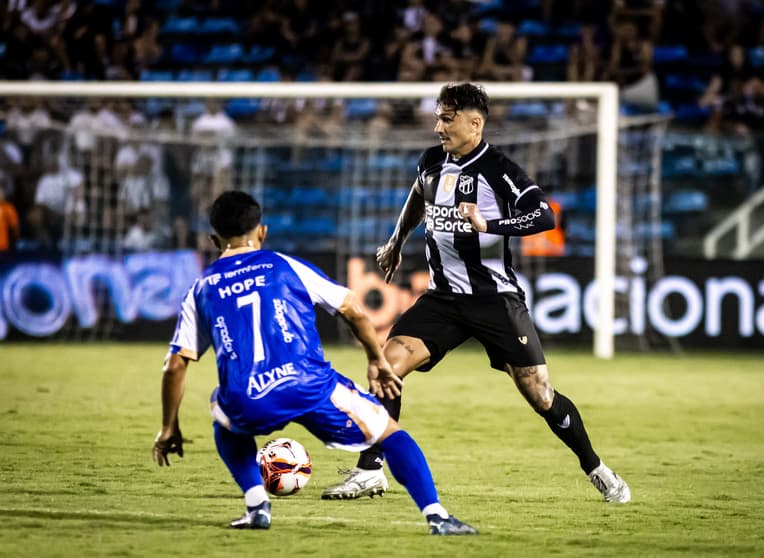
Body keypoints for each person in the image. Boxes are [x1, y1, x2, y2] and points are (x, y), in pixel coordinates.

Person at [322, 83, 630, 505]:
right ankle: (370, 470)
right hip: (443, 299)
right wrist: (396, 240)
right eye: (438, 118)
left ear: (475, 123)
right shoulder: (431, 161)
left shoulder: (499, 169)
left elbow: (543, 216)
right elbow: (419, 195)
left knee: (539, 392)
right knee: (386, 366)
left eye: (447, 119)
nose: (438, 127)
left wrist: (490, 225)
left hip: (494, 300)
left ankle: (596, 468)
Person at [151, 190, 477, 536]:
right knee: (392, 435)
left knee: (223, 414)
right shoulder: (284, 266)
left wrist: (169, 427)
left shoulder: (202, 288)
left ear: (214, 240)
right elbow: (352, 308)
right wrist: (375, 359)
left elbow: (175, 365)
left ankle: (257, 506)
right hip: (309, 385)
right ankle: (437, 516)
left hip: (249, 396)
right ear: (262, 231)